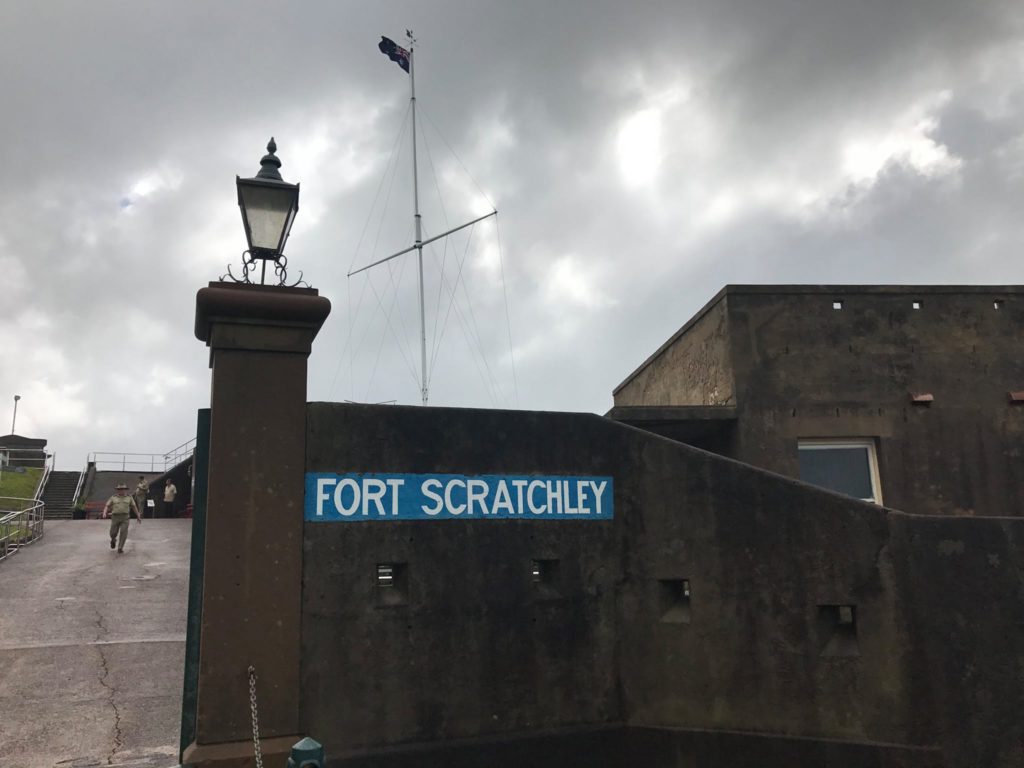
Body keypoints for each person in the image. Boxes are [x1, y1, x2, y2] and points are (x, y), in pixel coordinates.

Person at [102, 483, 141, 553]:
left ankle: (120, 547)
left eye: (122, 489)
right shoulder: (113, 497)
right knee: (113, 533)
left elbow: (134, 507)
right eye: (119, 489)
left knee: (123, 532)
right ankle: (113, 539)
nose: (121, 491)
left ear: (125, 490)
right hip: (115, 517)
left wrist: (138, 515)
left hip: (125, 518)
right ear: (117, 490)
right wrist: (104, 512)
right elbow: (107, 506)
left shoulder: (129, 497)